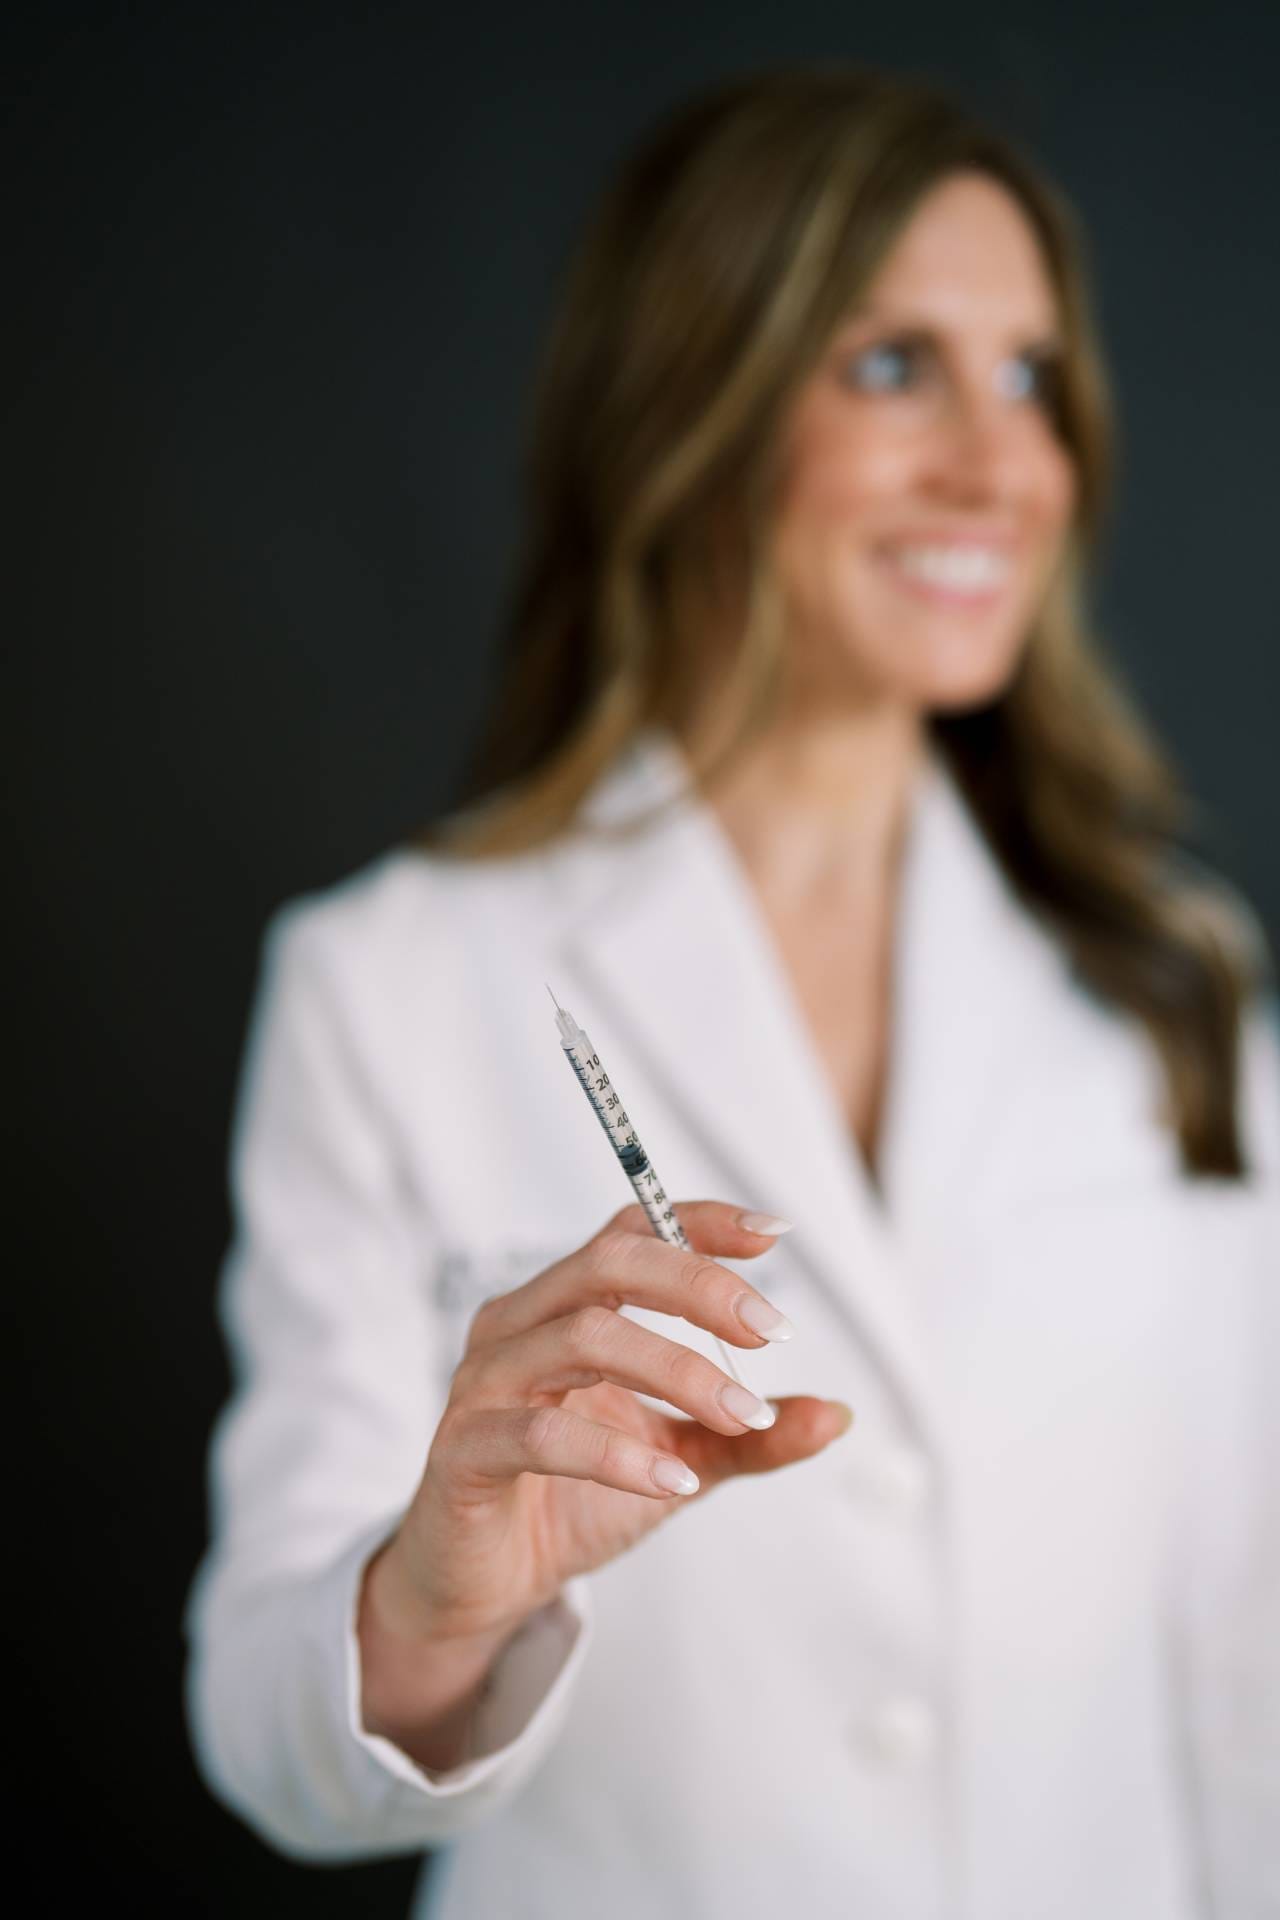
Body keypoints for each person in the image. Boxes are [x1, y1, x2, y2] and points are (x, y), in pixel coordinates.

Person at [183, 63, 1280, 1920]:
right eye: (890, 364)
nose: (998, 465)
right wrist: (440, 1594)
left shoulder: (1177, 982)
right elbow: (266, 1731)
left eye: (1027, 377)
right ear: (687, 408)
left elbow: (1255, 1658)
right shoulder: (386, 984)